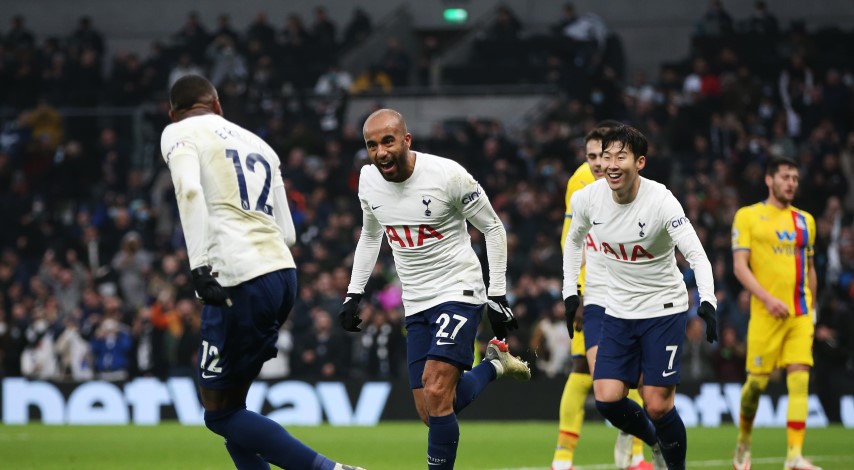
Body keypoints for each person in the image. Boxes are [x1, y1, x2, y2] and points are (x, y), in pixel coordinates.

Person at [161, 74, 364, 470]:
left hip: (237, 278)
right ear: (218, 104)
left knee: (219, 414)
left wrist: (200, 267)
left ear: (173, 113)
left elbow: (188, 190)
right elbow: (288, 232)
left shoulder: (179, 132)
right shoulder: (262, 146)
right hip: (282, 275)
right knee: (234, 413)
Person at [338, 108, 531, 469]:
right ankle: (494, 365)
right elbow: (370, 234)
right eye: (372, 145)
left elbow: (493, 228)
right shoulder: (368, 180)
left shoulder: (448, 176)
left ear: (406, 140)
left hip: (459, 289)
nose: (380, 152)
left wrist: (498, 294)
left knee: (437, 388)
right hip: (416, 301)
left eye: (388, 141)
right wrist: (353, 293)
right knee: (431, 408)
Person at [562, 125, 718, 470]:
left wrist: (707, 301)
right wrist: (570, 292)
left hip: (663, 309)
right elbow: (574, 242)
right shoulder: (588, 198)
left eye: (621, 156)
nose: (611, 164)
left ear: (640, 162)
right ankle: (654, 442)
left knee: (658, 405)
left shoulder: (661, 201)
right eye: (606, 156)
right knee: (606, 398)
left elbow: (696, 254)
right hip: (618, 310)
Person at [552, 124, 652, 470]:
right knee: (583, 369)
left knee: (634, 373)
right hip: (593, 292)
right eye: (592, 156)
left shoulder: (631, 183)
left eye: (604, 155)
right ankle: (563, 458)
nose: (598, 163)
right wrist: (576, 293)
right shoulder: (579, 184)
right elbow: (573, 242)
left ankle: (633, 448)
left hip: (628, 291)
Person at [731, 157, 821, 470]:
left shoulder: (805, 221)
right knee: (755, 386)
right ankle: (743, 442)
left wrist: (813, 309)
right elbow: (739, 266)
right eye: (785, 177)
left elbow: (810, 268)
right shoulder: (748, 216)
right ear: (769, 180)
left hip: (799, 313)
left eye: (795, 177)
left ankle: (794, 457)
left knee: (799, 378)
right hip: (765, 314)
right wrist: (767, 299)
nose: (791, 183)